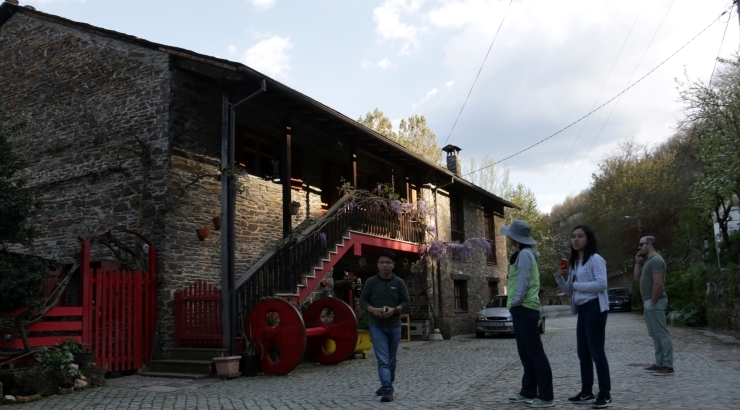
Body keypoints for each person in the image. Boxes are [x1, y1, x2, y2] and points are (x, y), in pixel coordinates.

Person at [554, 225, 612, 409]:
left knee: (597, 353)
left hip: (595, 308)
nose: (575, 239)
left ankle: (605, 394)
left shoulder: (595, 259)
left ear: (589, 239)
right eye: (573, 237)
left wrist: (577, 285)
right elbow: (570, 290)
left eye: (580, 236)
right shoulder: (575, 263)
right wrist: (559, 278)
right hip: (582, 310)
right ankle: (587, 392)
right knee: (583, 353)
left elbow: (602, 284)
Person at [502, 220, 555, 408]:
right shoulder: (522, 253)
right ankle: (528, 391)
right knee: (525, 353)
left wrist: (515, 302)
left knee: (535, 353)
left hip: (524, 308)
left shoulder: (524, 254)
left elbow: (523, 282)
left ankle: (546, 396)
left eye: (510, 235)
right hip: (522, 309)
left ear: (515, 237)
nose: (507, 237)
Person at [359, 249, 410, 403]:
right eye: (382, 262)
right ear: (377, 265)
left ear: (393, 265)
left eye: (388, 263)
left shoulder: (399, 282)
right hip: (377, 325)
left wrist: (395, 310)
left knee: (392, 360)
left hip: (394, 324)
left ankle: (386, 384)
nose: (384, 265)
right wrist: (374, 310)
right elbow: (363, 301)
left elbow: (406, 302)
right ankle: (388, 388)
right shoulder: (371, 282)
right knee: (382, 359)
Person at [634, 235, 674, 376]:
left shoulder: (656, 260)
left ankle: (668, 366)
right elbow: (637, 277)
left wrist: (652, 302)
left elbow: (658, 283)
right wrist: (638, 262)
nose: (639, 247)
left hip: (655, 302)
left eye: (641, 244)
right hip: (649, 302)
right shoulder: (648, 261)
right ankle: (659, 363)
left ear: (649, 244)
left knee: (662, 334)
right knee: (655, 334)